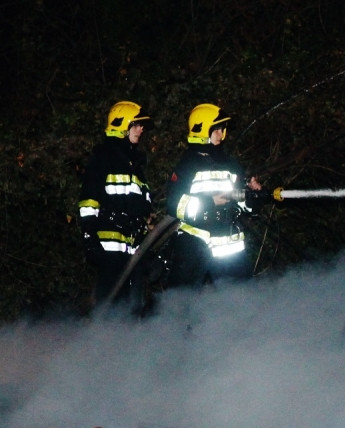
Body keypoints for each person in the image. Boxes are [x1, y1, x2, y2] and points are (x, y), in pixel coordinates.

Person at [164, 103, 262, 287]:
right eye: (216, 130)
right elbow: (175, 204)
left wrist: (254, 195)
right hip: (195, 243)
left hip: (229, 246)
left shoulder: (232, 166)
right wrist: (210, 202)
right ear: (201, 130)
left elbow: (244, 204)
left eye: (222, 130)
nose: (221, 134)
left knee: (244, 303)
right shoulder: (188, 164)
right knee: (182, 304)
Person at [77, 100, 153, 307]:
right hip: (109, 241)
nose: (141, 129)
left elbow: (142, 204)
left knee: (133, 303)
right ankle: (103, 336)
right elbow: (88, 199)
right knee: (110, 302)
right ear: (121, 125)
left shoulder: (135, 163)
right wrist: (89, 234)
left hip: (133, 241)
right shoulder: (104, 156)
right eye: (136, 124)